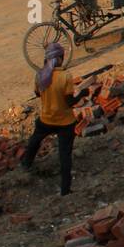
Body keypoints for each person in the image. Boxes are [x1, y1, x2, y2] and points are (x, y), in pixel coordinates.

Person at [20, 43, 85, 196]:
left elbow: (38, 94)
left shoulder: (40, 75)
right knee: (65, 156)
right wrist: (83, 94)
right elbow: (70, 102)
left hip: (46, 119)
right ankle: (65, 189)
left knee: (35, 140)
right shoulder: (65, 76)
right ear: (60, 59)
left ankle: (26, 163)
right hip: (65, 122)